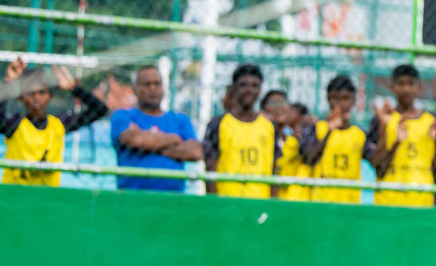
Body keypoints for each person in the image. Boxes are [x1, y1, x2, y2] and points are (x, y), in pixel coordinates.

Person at [0, 57, 108, 187]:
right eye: (31, 93)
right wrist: (8, 82)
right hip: (15, 196)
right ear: (21, 97)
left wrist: (74, 89)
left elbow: (100, 110)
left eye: (42, 92)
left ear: (50, 95)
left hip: (47, 197)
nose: (37, 98)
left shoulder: (59, 124)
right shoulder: (15, 125)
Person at [364, 63, 436, 207]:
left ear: (419, 87)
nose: (406, 89)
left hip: (421, 201)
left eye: (411, 84)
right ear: (392, 87)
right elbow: (378, 168)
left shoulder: (432, 122)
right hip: (388, 201)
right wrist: (396, 142)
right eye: (400, 84)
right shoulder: (383, 120)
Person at [110, 65, 202, 192]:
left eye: (157, 84)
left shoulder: (180, 120)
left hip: (172, 199)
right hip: (132, 197)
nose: (152, 89)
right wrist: (174, 139)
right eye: (146, 84)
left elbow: (195, 152)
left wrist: (149, 143)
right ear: (135, 89)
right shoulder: (123, 116)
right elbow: (135, 140)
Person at [202, 63, 277, 198]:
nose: (249, 90)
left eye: (255, 86)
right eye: (244, 85)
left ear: (260, 90)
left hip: (260, 201)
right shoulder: (218, 124)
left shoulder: (269, 126)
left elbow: (274, 168)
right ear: (234, 89)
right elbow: (210, 167)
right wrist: (214, 203)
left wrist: (272, 203)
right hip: (228, 201)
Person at [298, 75, 367, 204]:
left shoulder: (360, 134)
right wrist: (330, 131)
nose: (340, 104)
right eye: (335, 98)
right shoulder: (316, 128)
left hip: (349, 205)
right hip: (320, 204)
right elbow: (308, 160)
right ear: (328, 99)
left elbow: (379, 166)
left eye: (345, 98)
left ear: (353, 100)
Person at [277, 102, 315, 201]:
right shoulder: (285, 136)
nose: (287, 113)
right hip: (281, 192)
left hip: (297, 194)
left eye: (291, 111)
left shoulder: (304, 136)